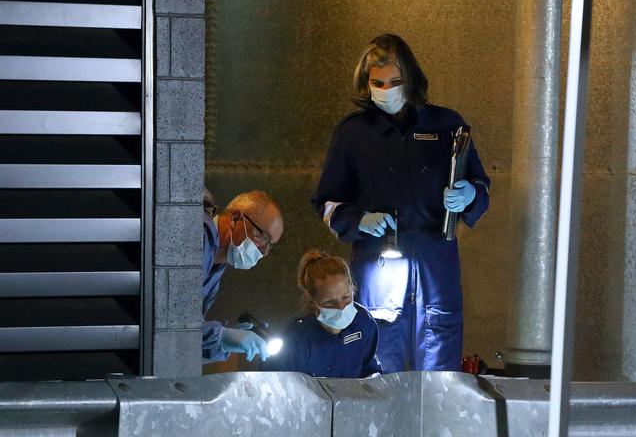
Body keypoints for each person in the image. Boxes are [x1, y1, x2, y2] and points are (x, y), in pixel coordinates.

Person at [311, 34, 490, 373]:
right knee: (380, 368)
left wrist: (470, 195)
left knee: (438, 378)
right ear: (366, 83)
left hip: (435, 264)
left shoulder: (447, 125)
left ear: (410, 78)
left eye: (395, 82)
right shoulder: (354, 133)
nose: (386, 89)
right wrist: (358, 219)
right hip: (379, 265)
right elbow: (325, 201)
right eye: (377, 82)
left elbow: (482, 189)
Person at [267, 250, 382, 378]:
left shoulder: (364, 323)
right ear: (312, 302)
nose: (340, 308)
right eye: (329, 303)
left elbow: (371, 373)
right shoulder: (296, 338)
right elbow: (283, 388)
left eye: (346, 297)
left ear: (352, 289)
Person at [202, 188, 284, 363]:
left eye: (270, 245)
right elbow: (165, 323)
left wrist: (223, 338)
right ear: (235, 219)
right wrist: (220, 335)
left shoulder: (215, 268)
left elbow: (178, 343)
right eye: (262, 237)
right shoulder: (199, 236)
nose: (264, 251)